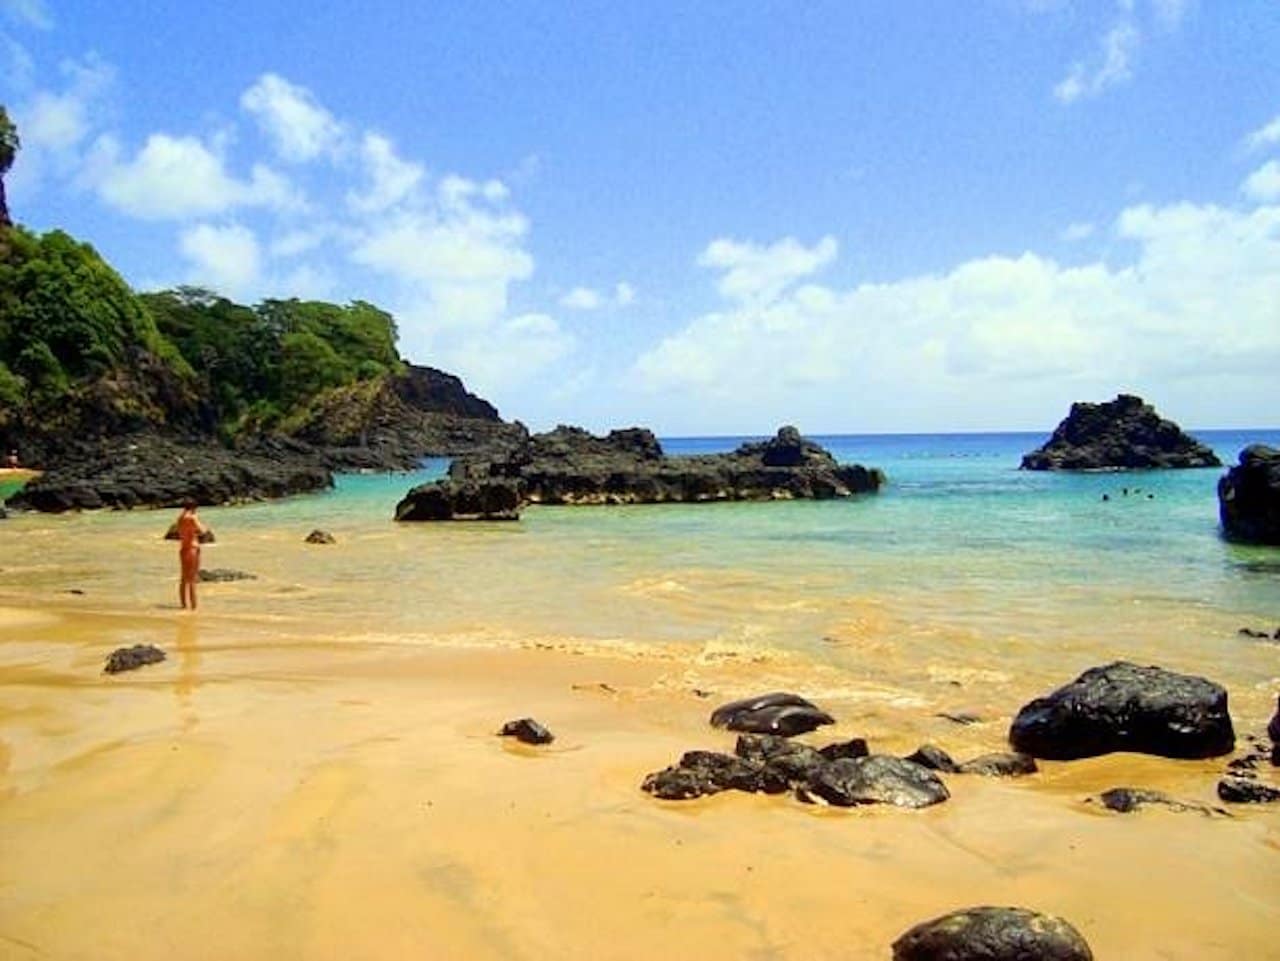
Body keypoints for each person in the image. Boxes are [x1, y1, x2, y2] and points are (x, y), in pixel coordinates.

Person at [175, 498, 209, 611]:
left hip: (183, 549)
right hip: (192, 549)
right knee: (192, 580)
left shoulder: (180, 518)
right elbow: (202, 530)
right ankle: (194, 607)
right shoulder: (192, 517)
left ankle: (183, 605)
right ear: (194, 507)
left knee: (184, 579)